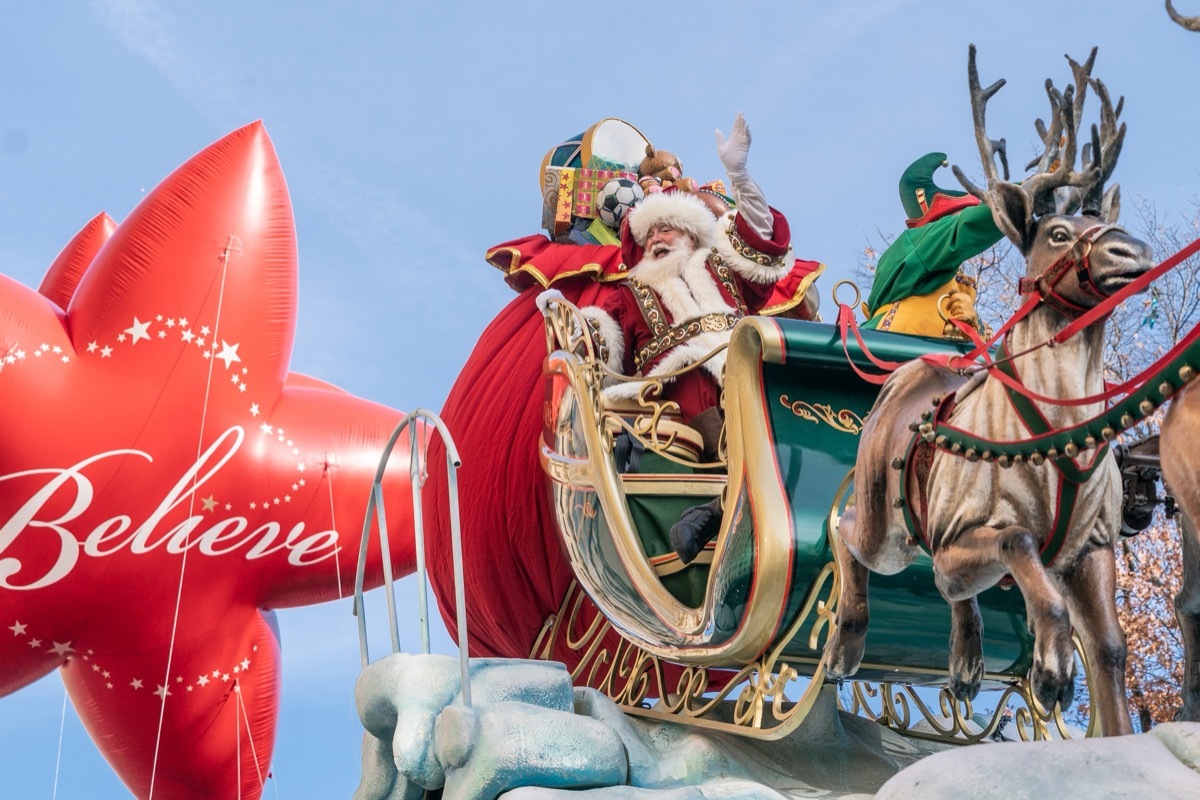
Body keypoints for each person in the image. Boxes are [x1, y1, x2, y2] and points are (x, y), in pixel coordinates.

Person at [578, 113, 818, 564]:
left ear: (691, 234)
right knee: (743, 426)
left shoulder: (723, 268)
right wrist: (582, 332)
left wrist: (740, 177)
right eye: (649, 232)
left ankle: (715, 512)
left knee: (778, 415)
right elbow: (602, 347)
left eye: (667, 228)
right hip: (676, 397)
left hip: (744, 373)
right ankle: (721, 508)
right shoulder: (630, 293)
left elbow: (763, 241)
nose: (657, 238)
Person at [862, 152, 1003, 338]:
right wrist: (1030, 190)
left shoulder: (951, 280)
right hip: (889, 351)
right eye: (958, 219)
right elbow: (966, 228)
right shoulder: (914, 245)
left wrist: (972, 323)